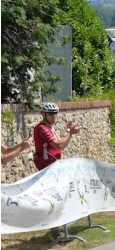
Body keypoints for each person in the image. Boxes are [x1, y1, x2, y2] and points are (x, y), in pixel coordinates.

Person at [33, 102, 81, 240]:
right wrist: (69, 134)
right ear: (43, 115)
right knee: (54, 199)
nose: (55, 116)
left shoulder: (50, 128)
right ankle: (54, 232)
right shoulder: (41, 128)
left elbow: (61, 146)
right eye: (51, 114)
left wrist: (68, 134)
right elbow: (59, 144)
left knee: (60, 197)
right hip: (48, 169)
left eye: (56, 113)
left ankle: (59, 227)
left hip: (55, 168)